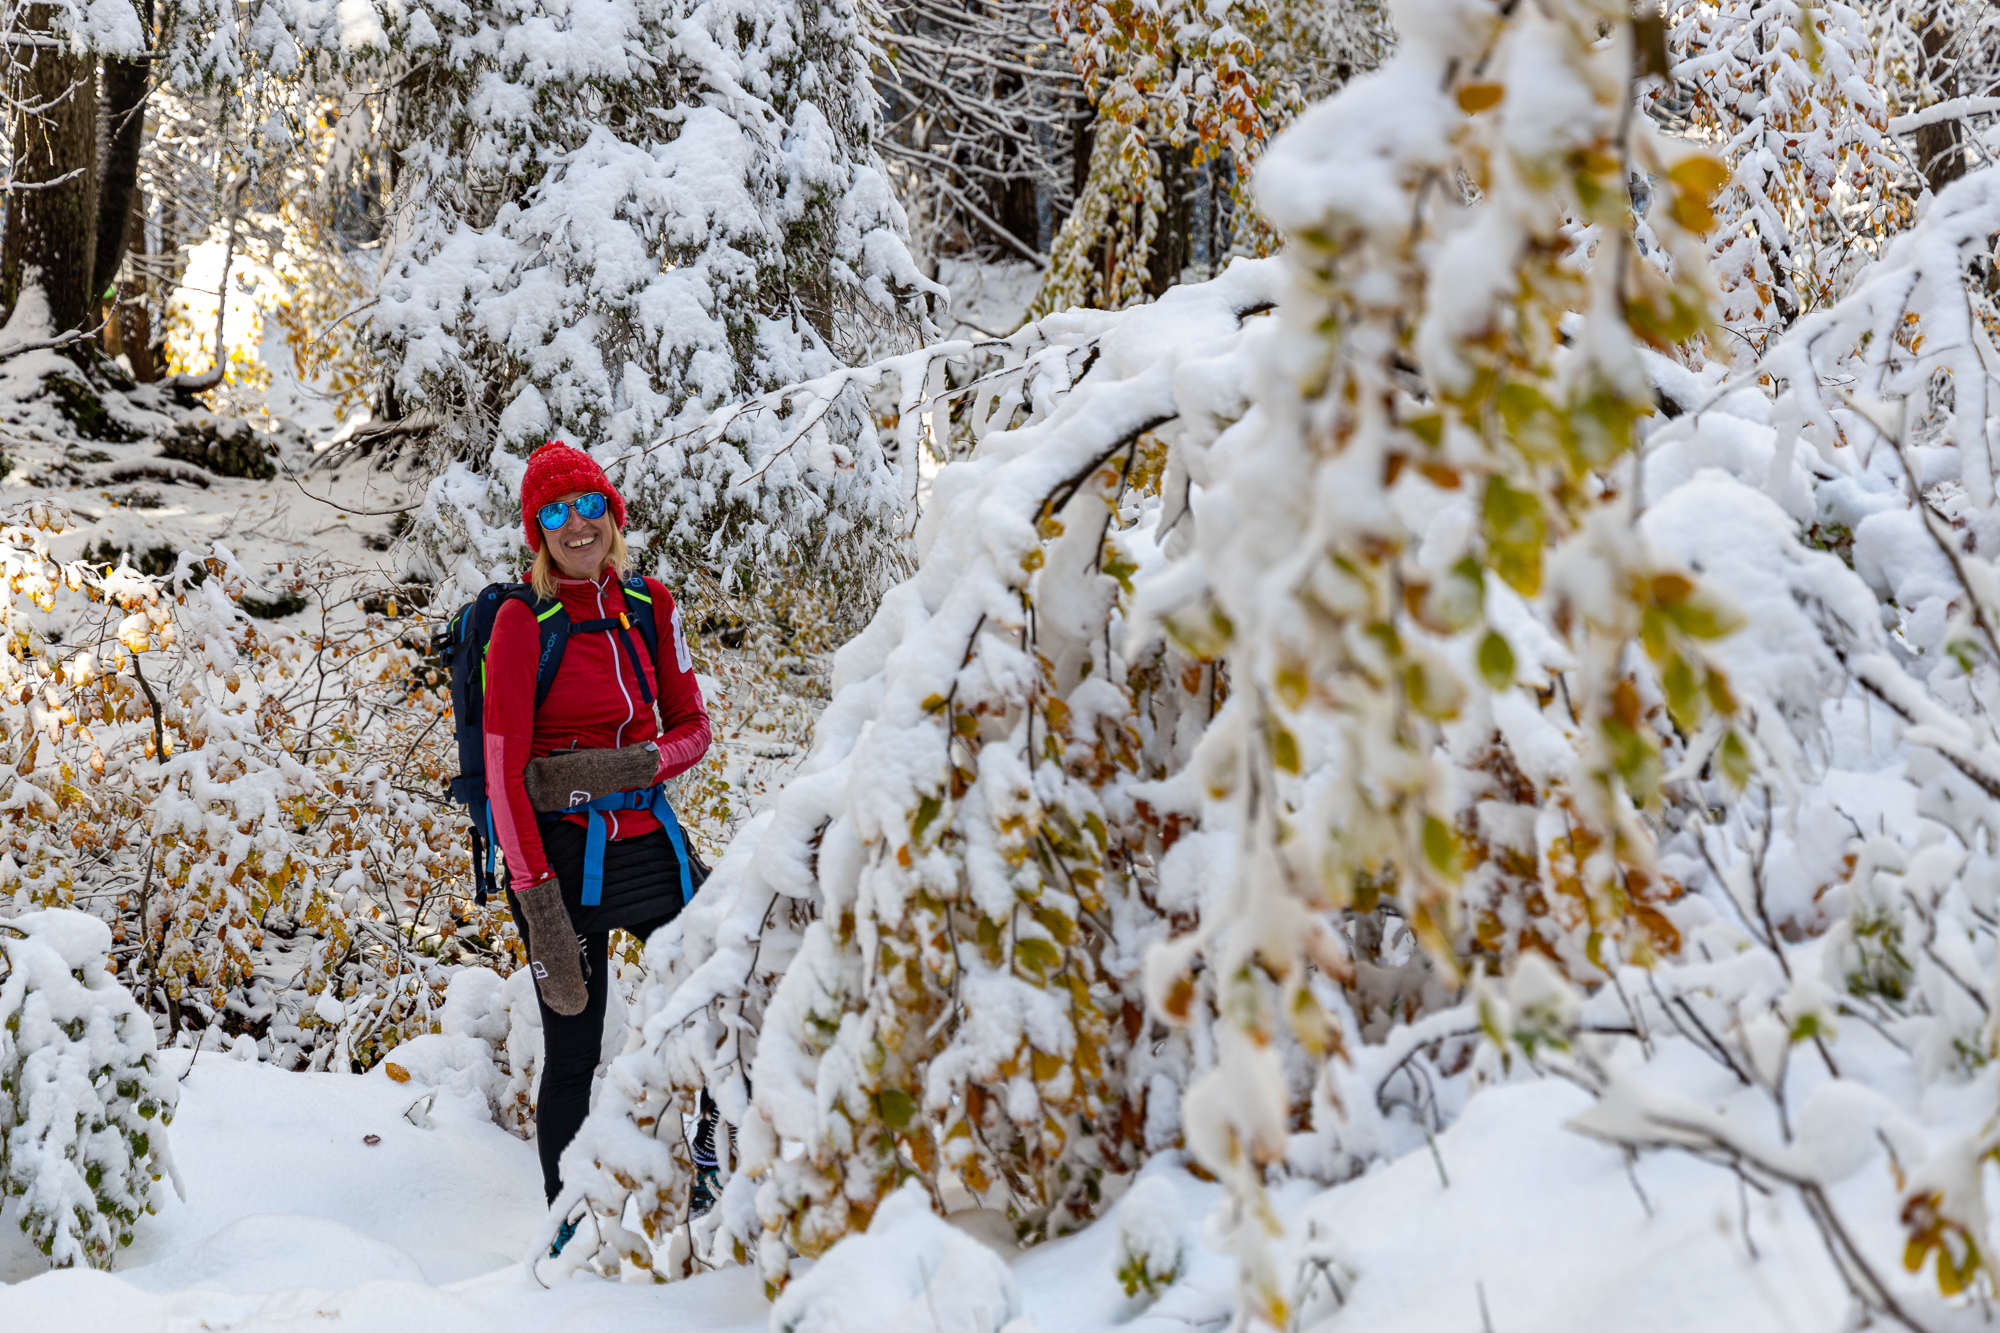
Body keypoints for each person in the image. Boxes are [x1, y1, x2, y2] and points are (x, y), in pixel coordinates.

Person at [482, 440, 711, 1242]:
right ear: (536, 532)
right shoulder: (521, 623)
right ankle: (568, 1226)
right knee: (573, 1046)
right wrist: (535, 895)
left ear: (612, 515)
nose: (575, 525)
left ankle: (714, 1171)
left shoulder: (651, 606)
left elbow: (695, 727)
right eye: (554, 512)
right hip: (559, 861)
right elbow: (506, 773)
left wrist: (640, 760)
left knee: (724, 992)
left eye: (588, 507)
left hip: (651, 843)